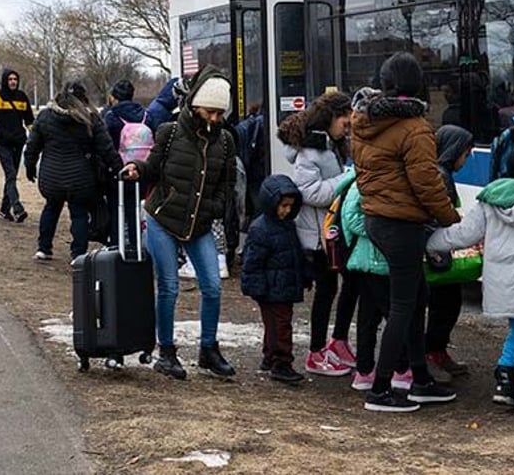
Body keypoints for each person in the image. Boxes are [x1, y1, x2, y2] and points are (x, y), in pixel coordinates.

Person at [351, 51, 460, 413]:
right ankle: (381, 389)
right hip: (402, 224)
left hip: (377, 220)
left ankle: (420, 379)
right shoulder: (415, 128)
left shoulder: (363, 122)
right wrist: (450, 219)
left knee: (415, 299)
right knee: (403, 306)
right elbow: (427, 183)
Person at [427, 146, 514, 414]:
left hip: (502, 284)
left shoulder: (488, 201)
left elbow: (463, 235)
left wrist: (429, 241)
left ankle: (505, 384)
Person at [121, 66, 237, 380]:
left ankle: (208, 349)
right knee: (169, 286)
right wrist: (136, 169)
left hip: (199, 223)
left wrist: (213, 208)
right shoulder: (169, 132)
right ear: (195, 104)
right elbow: (153, 167)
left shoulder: (225, 141)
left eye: (219, 113)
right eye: (209, 111)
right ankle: (167, 351)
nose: (214, 118)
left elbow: (227, 187)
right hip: (162, 217)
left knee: (212, 286)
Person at [278, 91, 358, 377]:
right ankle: (315, 352)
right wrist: (347, 177)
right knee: (327, 291)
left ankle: (335, 343)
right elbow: (310, 192)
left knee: (344, 285)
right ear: (330, 118)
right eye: (344, 123)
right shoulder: (312, 151)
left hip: (329, 231)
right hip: (318, 236)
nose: (347, 129)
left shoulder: (329, 145)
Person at [23, 81, 123, 262]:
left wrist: (29, 167)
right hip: (80, 178)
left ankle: (43, 248)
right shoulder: (90, 118)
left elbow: (32, 146)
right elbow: (106, 148)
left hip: (51, 176)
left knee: (51, 208)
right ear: (83, 97)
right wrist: (119, 169)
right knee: (79, 214)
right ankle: (78, 254)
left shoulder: (45, 116)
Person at [340, 165, 413, 392]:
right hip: (375, 259)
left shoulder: (362, 178)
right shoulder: (365, 181)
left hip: (367, 259)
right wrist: (383, 231)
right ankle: (399, 369)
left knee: (368, 318)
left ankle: (364, 371)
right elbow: (351, 218)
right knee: (393, 315)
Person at [240, 174, 307, 384]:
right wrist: (256, 286)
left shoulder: (284, 226)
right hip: (272, 288)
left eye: (290, 206)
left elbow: (294, 255)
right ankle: (281, 361)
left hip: (279, 285)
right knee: (281, 325)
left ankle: (271, 356)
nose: (286, 210)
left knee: (274, 324)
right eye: (283, 205)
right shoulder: (263, 229)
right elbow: (252, 262)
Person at [425, 124, 474, 382]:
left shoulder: (440, 173)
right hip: (439, 251)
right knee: (445, 304)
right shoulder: (441, 176)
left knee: (446, 303)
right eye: (465, 154)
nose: (465, 161)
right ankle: (433, 351)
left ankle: (437, 350)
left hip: (439, 248)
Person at [101, 79, 155, 251]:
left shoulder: (111, 117)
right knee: (135, 209)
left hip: (119, 170)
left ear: (113, 98)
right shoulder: (146, 115)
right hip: (141, 170)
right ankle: (136, 245)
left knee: (116, 209)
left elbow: (106, 145)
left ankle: (117, 247)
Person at [0, 69, 34, 223]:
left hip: (18, 141)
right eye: (10, 79)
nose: (13, 81)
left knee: (12, 176)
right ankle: (17, 207)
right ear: (5, 80)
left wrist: (36, 137)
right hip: (2, 142)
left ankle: (4, 209)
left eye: (15, 79)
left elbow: (29, 121)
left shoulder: (22, 97)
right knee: (10, 174)